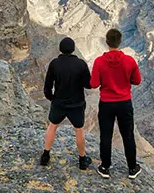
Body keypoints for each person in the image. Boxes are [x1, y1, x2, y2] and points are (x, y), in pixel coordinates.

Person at [90, 29, 142, 179]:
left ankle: (105, 167)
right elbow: (137, 81)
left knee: (106, 136)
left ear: (106, 42)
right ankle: (132, 168)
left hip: (106, 104)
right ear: (120, 42)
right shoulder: (130, 61)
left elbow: (94, 84)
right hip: (124, 103)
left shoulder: (99, 61)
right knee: (128, 135)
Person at [40, 37, 92, 170]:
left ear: (60, 49)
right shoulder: (81, 64)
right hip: (77, 104)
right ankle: (82, 160)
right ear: (73, 49)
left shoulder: (54, 63)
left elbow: (47, 86)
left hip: (59, 103)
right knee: (79, 130)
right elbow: (88, 85)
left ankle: (45, 156)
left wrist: (52, 98)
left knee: (52, 127)